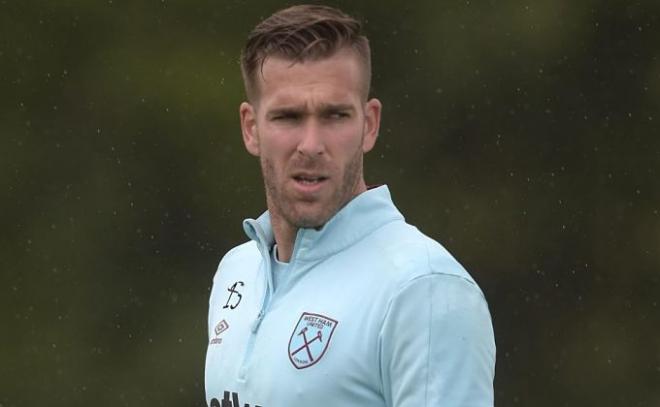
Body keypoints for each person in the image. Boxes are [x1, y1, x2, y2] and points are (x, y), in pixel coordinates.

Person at [205, 5, 495, 407]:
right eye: (288, 117)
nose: (310, 144)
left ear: (369, 124)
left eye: (334, 115)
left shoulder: (423, 288)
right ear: (251, 128)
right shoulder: (236, 273)